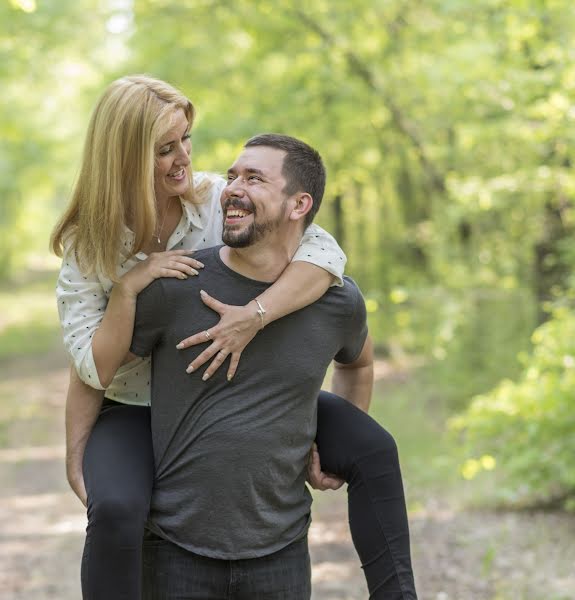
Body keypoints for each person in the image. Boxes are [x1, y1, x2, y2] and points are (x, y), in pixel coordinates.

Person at [51, 76, 416, 599]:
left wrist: (255, 315)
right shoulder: (90, 245)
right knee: (115, 507)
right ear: (126, 158)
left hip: (235, 385)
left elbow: (323, 253)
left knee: (374, 448)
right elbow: (90, 367)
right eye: (164, 149)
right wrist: (129, 289)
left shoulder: (217, 199)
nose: (183, 158)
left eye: (186, 139)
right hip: (139, 402)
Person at [131, 133, 372, 598]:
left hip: (280, 551)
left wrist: (337, 444)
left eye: (254, 178)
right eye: (232, 176)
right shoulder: (176, 285)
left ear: (298, 204)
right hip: (173, 548)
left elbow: (357, 365)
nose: (232, 189)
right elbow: (102, 374)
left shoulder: (336, 299)